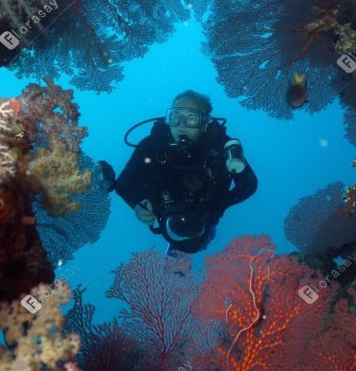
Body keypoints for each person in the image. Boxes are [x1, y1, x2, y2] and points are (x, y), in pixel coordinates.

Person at [105, 90, 257, 253]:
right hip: (165, 208)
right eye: (176, 117)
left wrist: (218, 208)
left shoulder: (221, 146)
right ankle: (179, 246)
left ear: (204, 125)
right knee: (182, 236)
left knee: (197, 240)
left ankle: (204, 236)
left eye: (191, 118)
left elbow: (249, 184)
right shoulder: (152, 145)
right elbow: (123, 183)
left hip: (207, 208)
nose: (181, 125)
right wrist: (138, 205)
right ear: (168, 119)